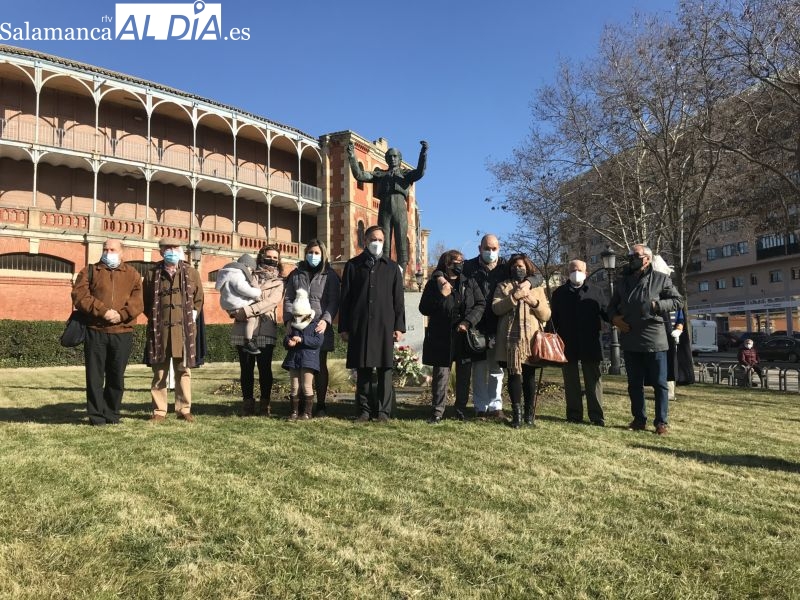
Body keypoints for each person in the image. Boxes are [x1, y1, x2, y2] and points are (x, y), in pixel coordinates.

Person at [607, 244, 682, 435]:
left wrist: (657, 305)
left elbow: (678, 301)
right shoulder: (622, 282)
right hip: (630, 337)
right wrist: (615, 319)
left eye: (636, 255)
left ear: (647, 258)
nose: (631, 257)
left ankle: (661, 422)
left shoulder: (661, 279)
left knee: (659, 383)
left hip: (654, 338)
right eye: (630, 255)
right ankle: (639, 419)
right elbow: (611, 307)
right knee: (634, 383)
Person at [71, 238, 143, 425]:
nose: (108, 252)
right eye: (105, 249)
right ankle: (96, 416)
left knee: (116, 376)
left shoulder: (133, 274)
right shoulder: (90, 271)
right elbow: (80, 296)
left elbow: (138, 302)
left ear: (122, 252)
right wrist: (103, 311)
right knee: (94, 376)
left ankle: (112, 413)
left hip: (122, 332)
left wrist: (121, 315)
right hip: (96, 331)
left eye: (112, 249)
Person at [463, 234, 533, 420]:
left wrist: (528, 282)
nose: (490, 252)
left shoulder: (505, 267)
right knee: (479, 369)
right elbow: (445, 269)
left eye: (494, 248)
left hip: (499, 325)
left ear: (499, 249)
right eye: (487, 248)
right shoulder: (468, 267)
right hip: (476, 325)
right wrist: (438, 275)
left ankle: (496, 406)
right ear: (480, 248)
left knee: (496, 369)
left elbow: (535, 275)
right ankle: (480, 407)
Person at [339, 225, 405, 422]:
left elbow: (398, 301)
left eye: (381, 240)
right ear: (365, 241)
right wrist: (344, 327)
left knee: (385, 369)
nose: (377, 243)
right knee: (363, 368)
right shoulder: (352, 266)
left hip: (385, 326)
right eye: (373, 239)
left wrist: (399, 327)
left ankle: (383, 412)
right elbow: (345, 299)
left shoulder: (392, 268)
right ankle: (364, 411)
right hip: (360, 325)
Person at [419, 250, 485, 424]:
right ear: (447, 264)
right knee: (441, 375)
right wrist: (442, 296)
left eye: (461, 261)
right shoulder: (435, 284)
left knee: (464, 374)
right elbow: (424, 308)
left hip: (464, 335)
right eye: (456, 262)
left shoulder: (469, 282)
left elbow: (480, 304)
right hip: (441, 335)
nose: (460, 264)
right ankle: (437, 411)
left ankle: (460, 410)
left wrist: (468, 322)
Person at [143, 238, 204, 423]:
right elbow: (146, 302)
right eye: (167, 248)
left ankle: (183, 408)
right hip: (160, 330)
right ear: (161, 251)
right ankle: (159, 410)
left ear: (181, 250)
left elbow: (199, 299)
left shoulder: (191, 273)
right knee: (160, 372)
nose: (171, 251)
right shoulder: (152, 273)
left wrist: (190, 318)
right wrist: (158, 320)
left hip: (183, 331)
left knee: (183, 370)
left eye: (175, 247)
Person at [346, 140, 427, 272]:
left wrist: (423, 153)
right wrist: (352, 156)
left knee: (401, 244)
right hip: (384, 209)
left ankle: (400, 277)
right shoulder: (380, 175)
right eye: (390, 157)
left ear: (400, 159)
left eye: (395, 156)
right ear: (386, 159)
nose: (392, 159)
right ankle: (383, 273)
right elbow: (360, 175)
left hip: (400, 209)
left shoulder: (405, 175)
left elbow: (420, 172)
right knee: (384, 244)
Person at [492, 254, 551, 428]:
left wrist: (534, 302)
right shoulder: (503, 286)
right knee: (514, 375)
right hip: (510, 342)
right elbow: (496, 308)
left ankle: (529, 415)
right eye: (515, 266)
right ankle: (516, 415)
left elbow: (547, 314)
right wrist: (513, 298)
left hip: (531, 340)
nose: (518, 269)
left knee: (530, 377)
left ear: (527, 268)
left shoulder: (537, 288)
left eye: (521, 266)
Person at [283, 238, 341, 417]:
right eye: (310, 252)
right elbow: (288, 298)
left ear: (322, 254)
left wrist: (326, 320)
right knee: (299, 364)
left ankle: (321, 405)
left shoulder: (329, 275)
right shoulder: (296, 273)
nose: (313, 256)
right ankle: (301, 406)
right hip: (298, 325)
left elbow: (333, 301)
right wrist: (287, 321)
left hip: (318, 326)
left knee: (319, 365)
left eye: (316, 253)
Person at [550, 259, 606, 426]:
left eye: (580, 269)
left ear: (586, 273)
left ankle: (597, 416)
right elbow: (554, 320)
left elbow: (607, 313)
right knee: (571, 381)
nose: (576, 272)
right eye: (573, 269)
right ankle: (574, 415)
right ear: (568, 273)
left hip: (590, 343)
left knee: (594, 380)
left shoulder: (597, 292)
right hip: (567, 343)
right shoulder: (559, 293)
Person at [230, 245, 284, 416]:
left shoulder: (279, 282)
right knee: (246, 369)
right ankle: (247, 404)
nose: (272, 260)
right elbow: (232, 293)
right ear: (261, 256)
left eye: (276, 258)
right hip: (243, 328)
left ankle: (265, 405)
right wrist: (232, 311)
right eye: (269, 256)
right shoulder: (246, 275)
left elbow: (270, 302)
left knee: (264, 369)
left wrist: (245, 311)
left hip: (265, 328)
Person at [650, 255, 695, 400]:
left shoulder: (672, 293)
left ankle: (670, 392)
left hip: (672, 336)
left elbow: (680, 315)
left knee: (672, 364)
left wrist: (679, 330)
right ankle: (661, 390)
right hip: (656, 337)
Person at [282, 289, 325, 420]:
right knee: (294, 386)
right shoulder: (293, 325)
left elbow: (318, 342)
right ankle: (294, 412)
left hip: (308, 359)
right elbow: (286, 337)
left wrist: (302, 340)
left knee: (307, 386)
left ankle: (307, 412)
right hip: (294, 359)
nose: (297, 318)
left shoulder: (315, 325)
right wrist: (288, 342)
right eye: (295, 315)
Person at [215, 253, 262, 355]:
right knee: (252, 319)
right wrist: (257, 292)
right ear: (246, 266)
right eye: (251, 270)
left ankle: (247, 342)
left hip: (230, 305)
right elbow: (242, 288)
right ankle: (248, 342)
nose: (251, 272)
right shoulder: (237, 273)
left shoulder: (228, 273)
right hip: (236, 304)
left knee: (247, 319)